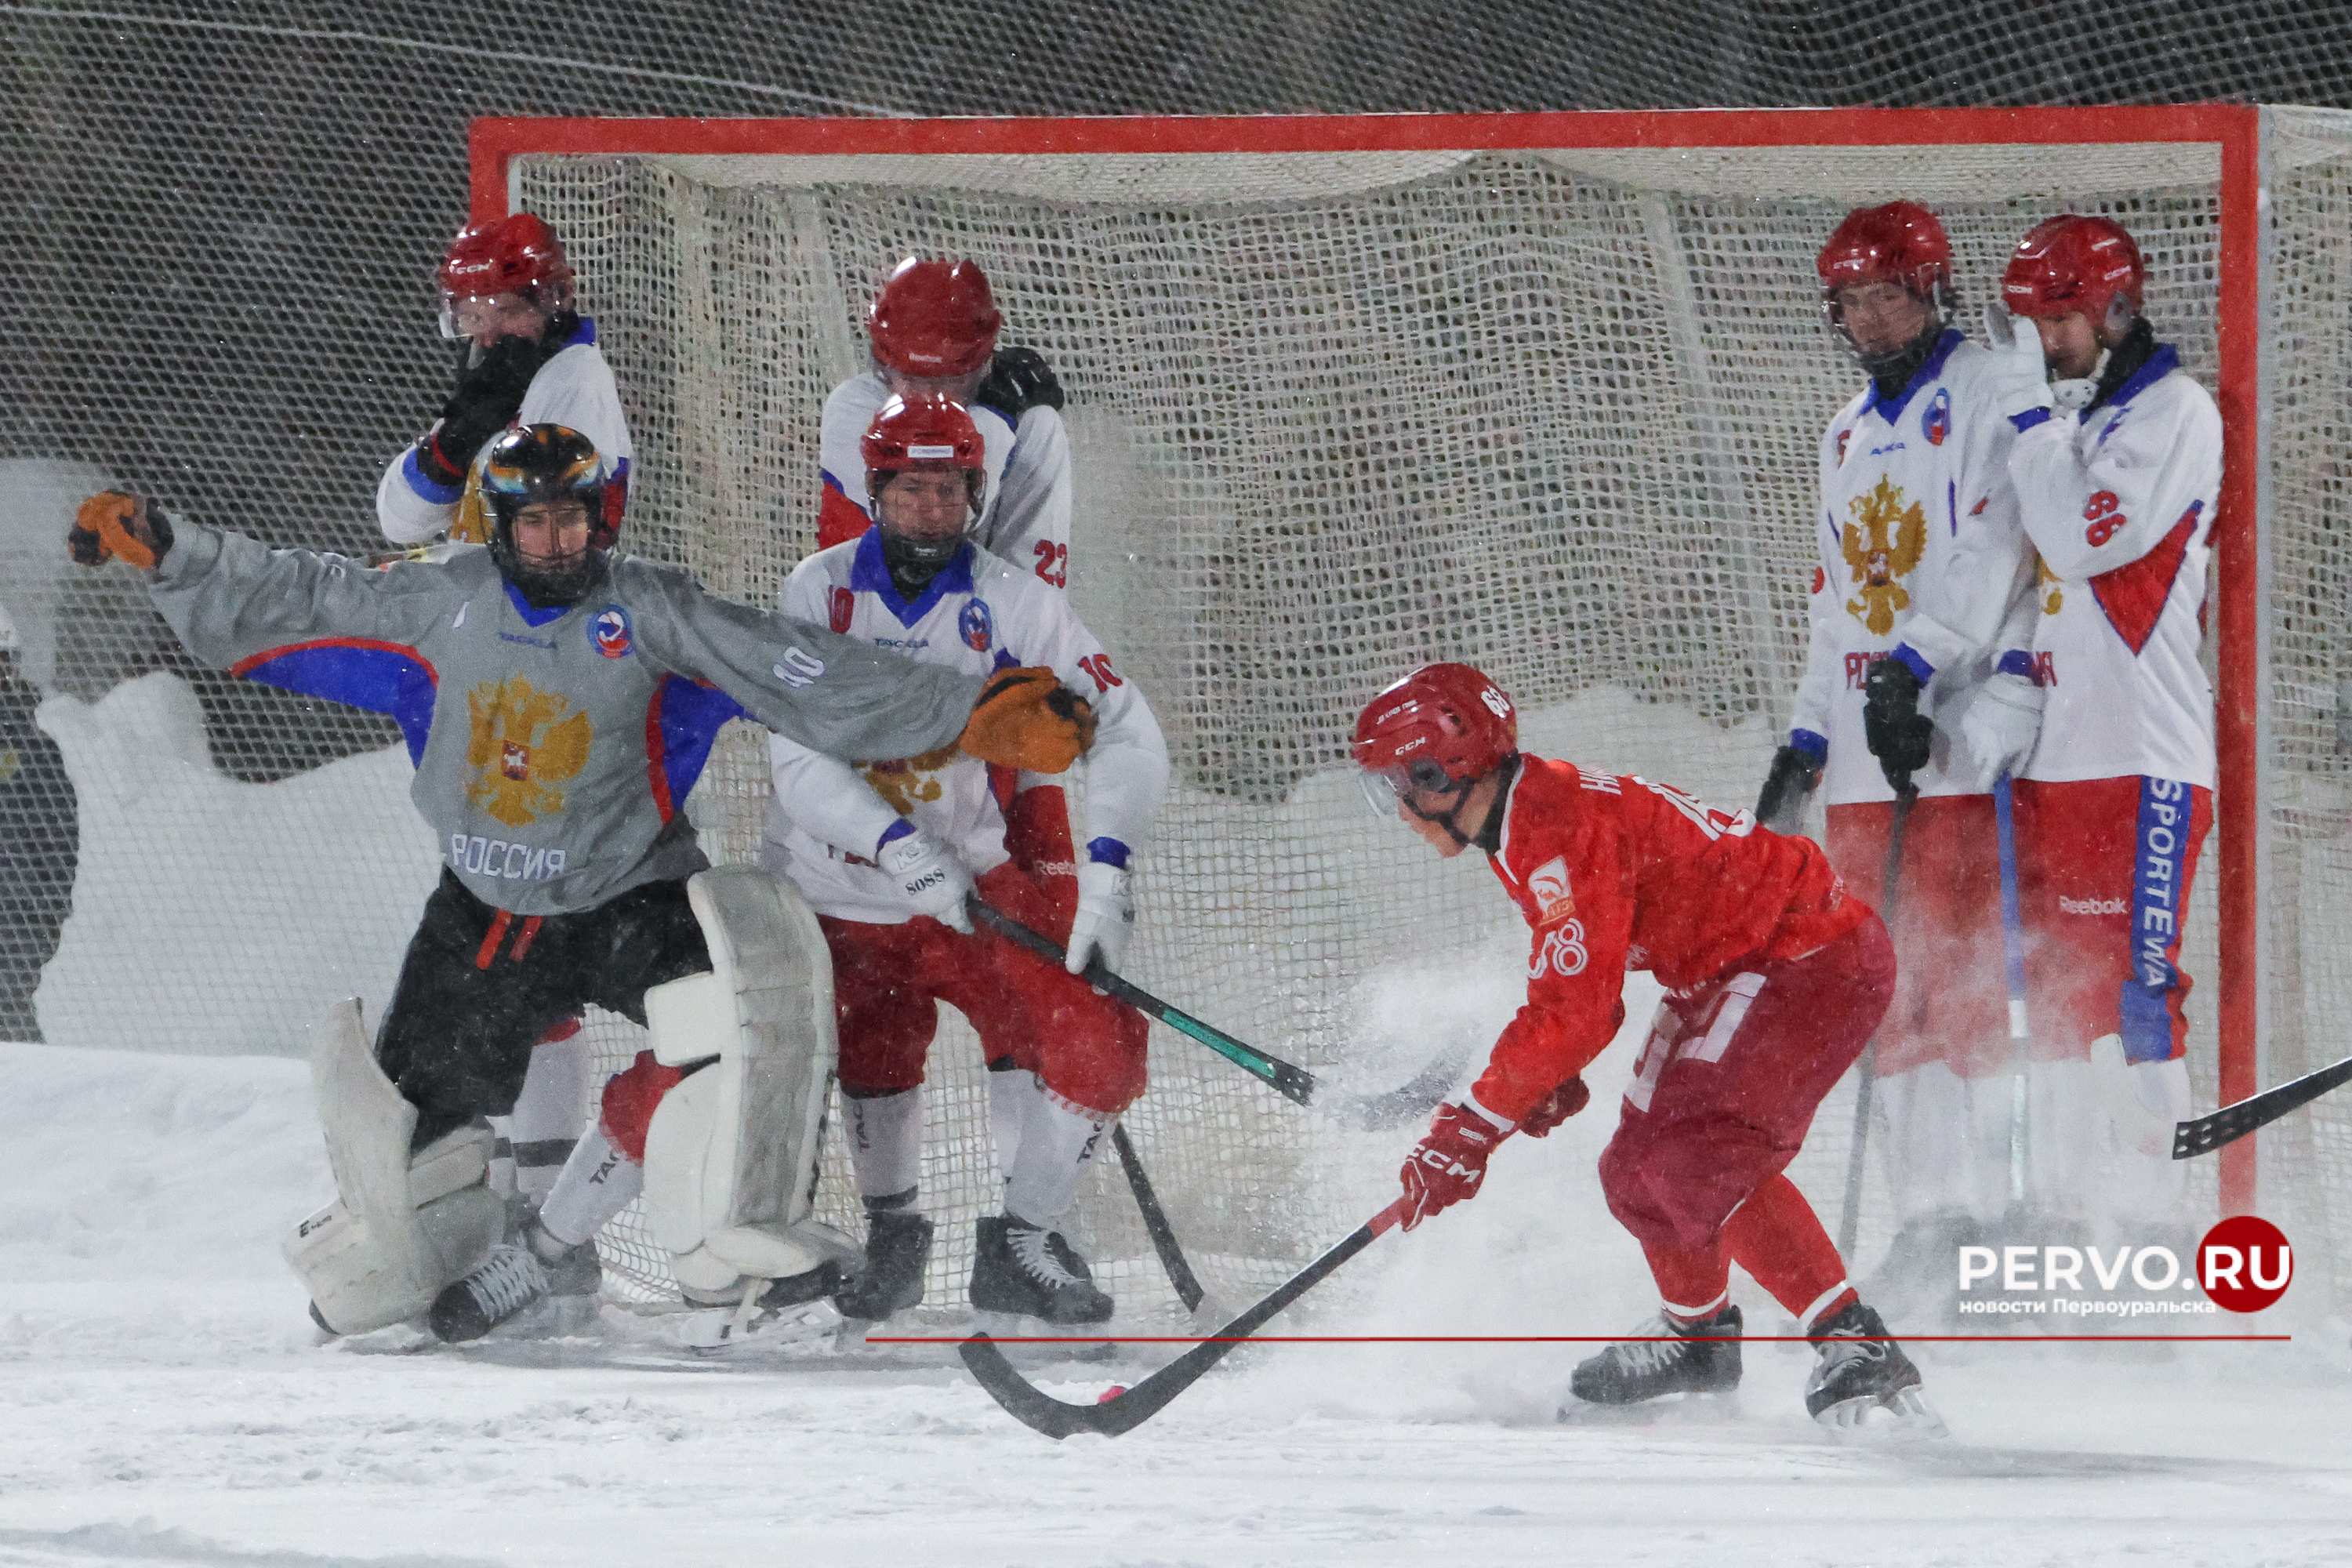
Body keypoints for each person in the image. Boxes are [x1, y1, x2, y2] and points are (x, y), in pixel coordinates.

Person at [66, 425, 1095, 1341]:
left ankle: (709, 1250)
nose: (560, 541)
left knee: (738, 1031)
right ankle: (522, 1263)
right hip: (482, 917)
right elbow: (307, 593)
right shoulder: (437, 602)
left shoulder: (651, 611)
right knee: (381, 1252)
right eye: (537, 522)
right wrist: (176, 552)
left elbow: (799, 664)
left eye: (574, 519)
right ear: (498, 524)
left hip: (631, 899)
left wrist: (968, 714)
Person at [1363, 662, 1940, 1434]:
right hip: (1731, 967)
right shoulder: (1523, 814)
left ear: (1455, 770)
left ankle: (1857, 1345)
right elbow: (1582, 986)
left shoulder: (1552, 827)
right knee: (1633, 1173)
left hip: (1803, 959)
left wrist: (1471, 1123)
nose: (1401, 804)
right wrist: (1542, 1078)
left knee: (1697, 1163)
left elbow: (1576, 1010)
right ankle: (1697, 1335)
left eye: (1411, 780)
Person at [757, 392, 1167, 1330]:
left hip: (972, 894)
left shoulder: (1019, 602)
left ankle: (1023, 1237)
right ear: (875, 490)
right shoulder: (818, 591)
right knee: (863, 1055)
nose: (930, 512)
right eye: (910, 491)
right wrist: (898, 847)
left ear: (977, 494)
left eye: (950, 491)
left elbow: (1130, 730)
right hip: (835, 898)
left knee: (1100, 1044)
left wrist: (1105, 873)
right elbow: (796, 753)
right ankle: (890, 1233)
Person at [1754, 201, 2038, 1306]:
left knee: (1964, 987)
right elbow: (1834, 602)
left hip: (1953, 740)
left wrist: (1917, 668)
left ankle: (1991, 1226)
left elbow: (1994, 549)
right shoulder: (1841, 433)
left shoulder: (1981, 397)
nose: (1872, 320)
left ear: (1932, 291)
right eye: (1854, 302)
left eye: (1889, 295)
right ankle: (1929, 1220)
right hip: (1870, 759)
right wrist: (1807, 732)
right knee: (1885, 991)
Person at [1970, 214, 2221, 1224]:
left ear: (2118, 307)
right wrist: (2015, 678)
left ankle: (2158, 1230)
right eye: (2031, 319)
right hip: (2057, 763)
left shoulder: (2173, 410)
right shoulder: (2073, 423)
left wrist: (2028, 417)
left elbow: (2075, 542)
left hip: (2143, 755)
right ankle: (2081, 1219)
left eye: (2063, 316)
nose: (2045, 339)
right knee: (2064, 1003)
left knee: (2135, 999)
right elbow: (2043, 583)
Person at [376, 213, 633, 551]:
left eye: (507, 312)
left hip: (519, 602)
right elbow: (400, 523)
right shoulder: (495, 386)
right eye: (474, 316)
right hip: (474, 596)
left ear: (554, 301)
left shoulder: (573, 381)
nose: (488, 335)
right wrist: (456, 440)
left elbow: (549, 553)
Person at [817, 256, 1072, 591]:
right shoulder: (852, 408)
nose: (929, 394)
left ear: (982, 367)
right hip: (855, 620)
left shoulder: (1020, 425)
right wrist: (997, 412)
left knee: (1043, 421)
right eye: (911, 378)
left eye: (948, 380)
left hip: (975, 624)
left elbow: (1032, 582)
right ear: (884, 365)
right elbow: (945, 518)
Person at [0, 603, 78, 1041]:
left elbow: (58, 843)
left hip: (13, 927)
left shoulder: (33, 749)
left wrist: (44, 916)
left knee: (11, 1033)